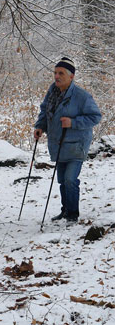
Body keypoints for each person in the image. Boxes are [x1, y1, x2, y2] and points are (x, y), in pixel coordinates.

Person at [34, 57, 101, 223]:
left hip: (76, 146)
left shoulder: (82, 96)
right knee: (62, 180)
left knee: (70, 179)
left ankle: (73, 214)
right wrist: (40, 126)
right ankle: (65, 210)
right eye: (55, 73)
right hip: (57, 144)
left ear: (71, 76)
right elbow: (44, 112)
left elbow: (95, 117)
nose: (56, 76)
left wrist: (73, 122)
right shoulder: (52, 93)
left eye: (61, 73)